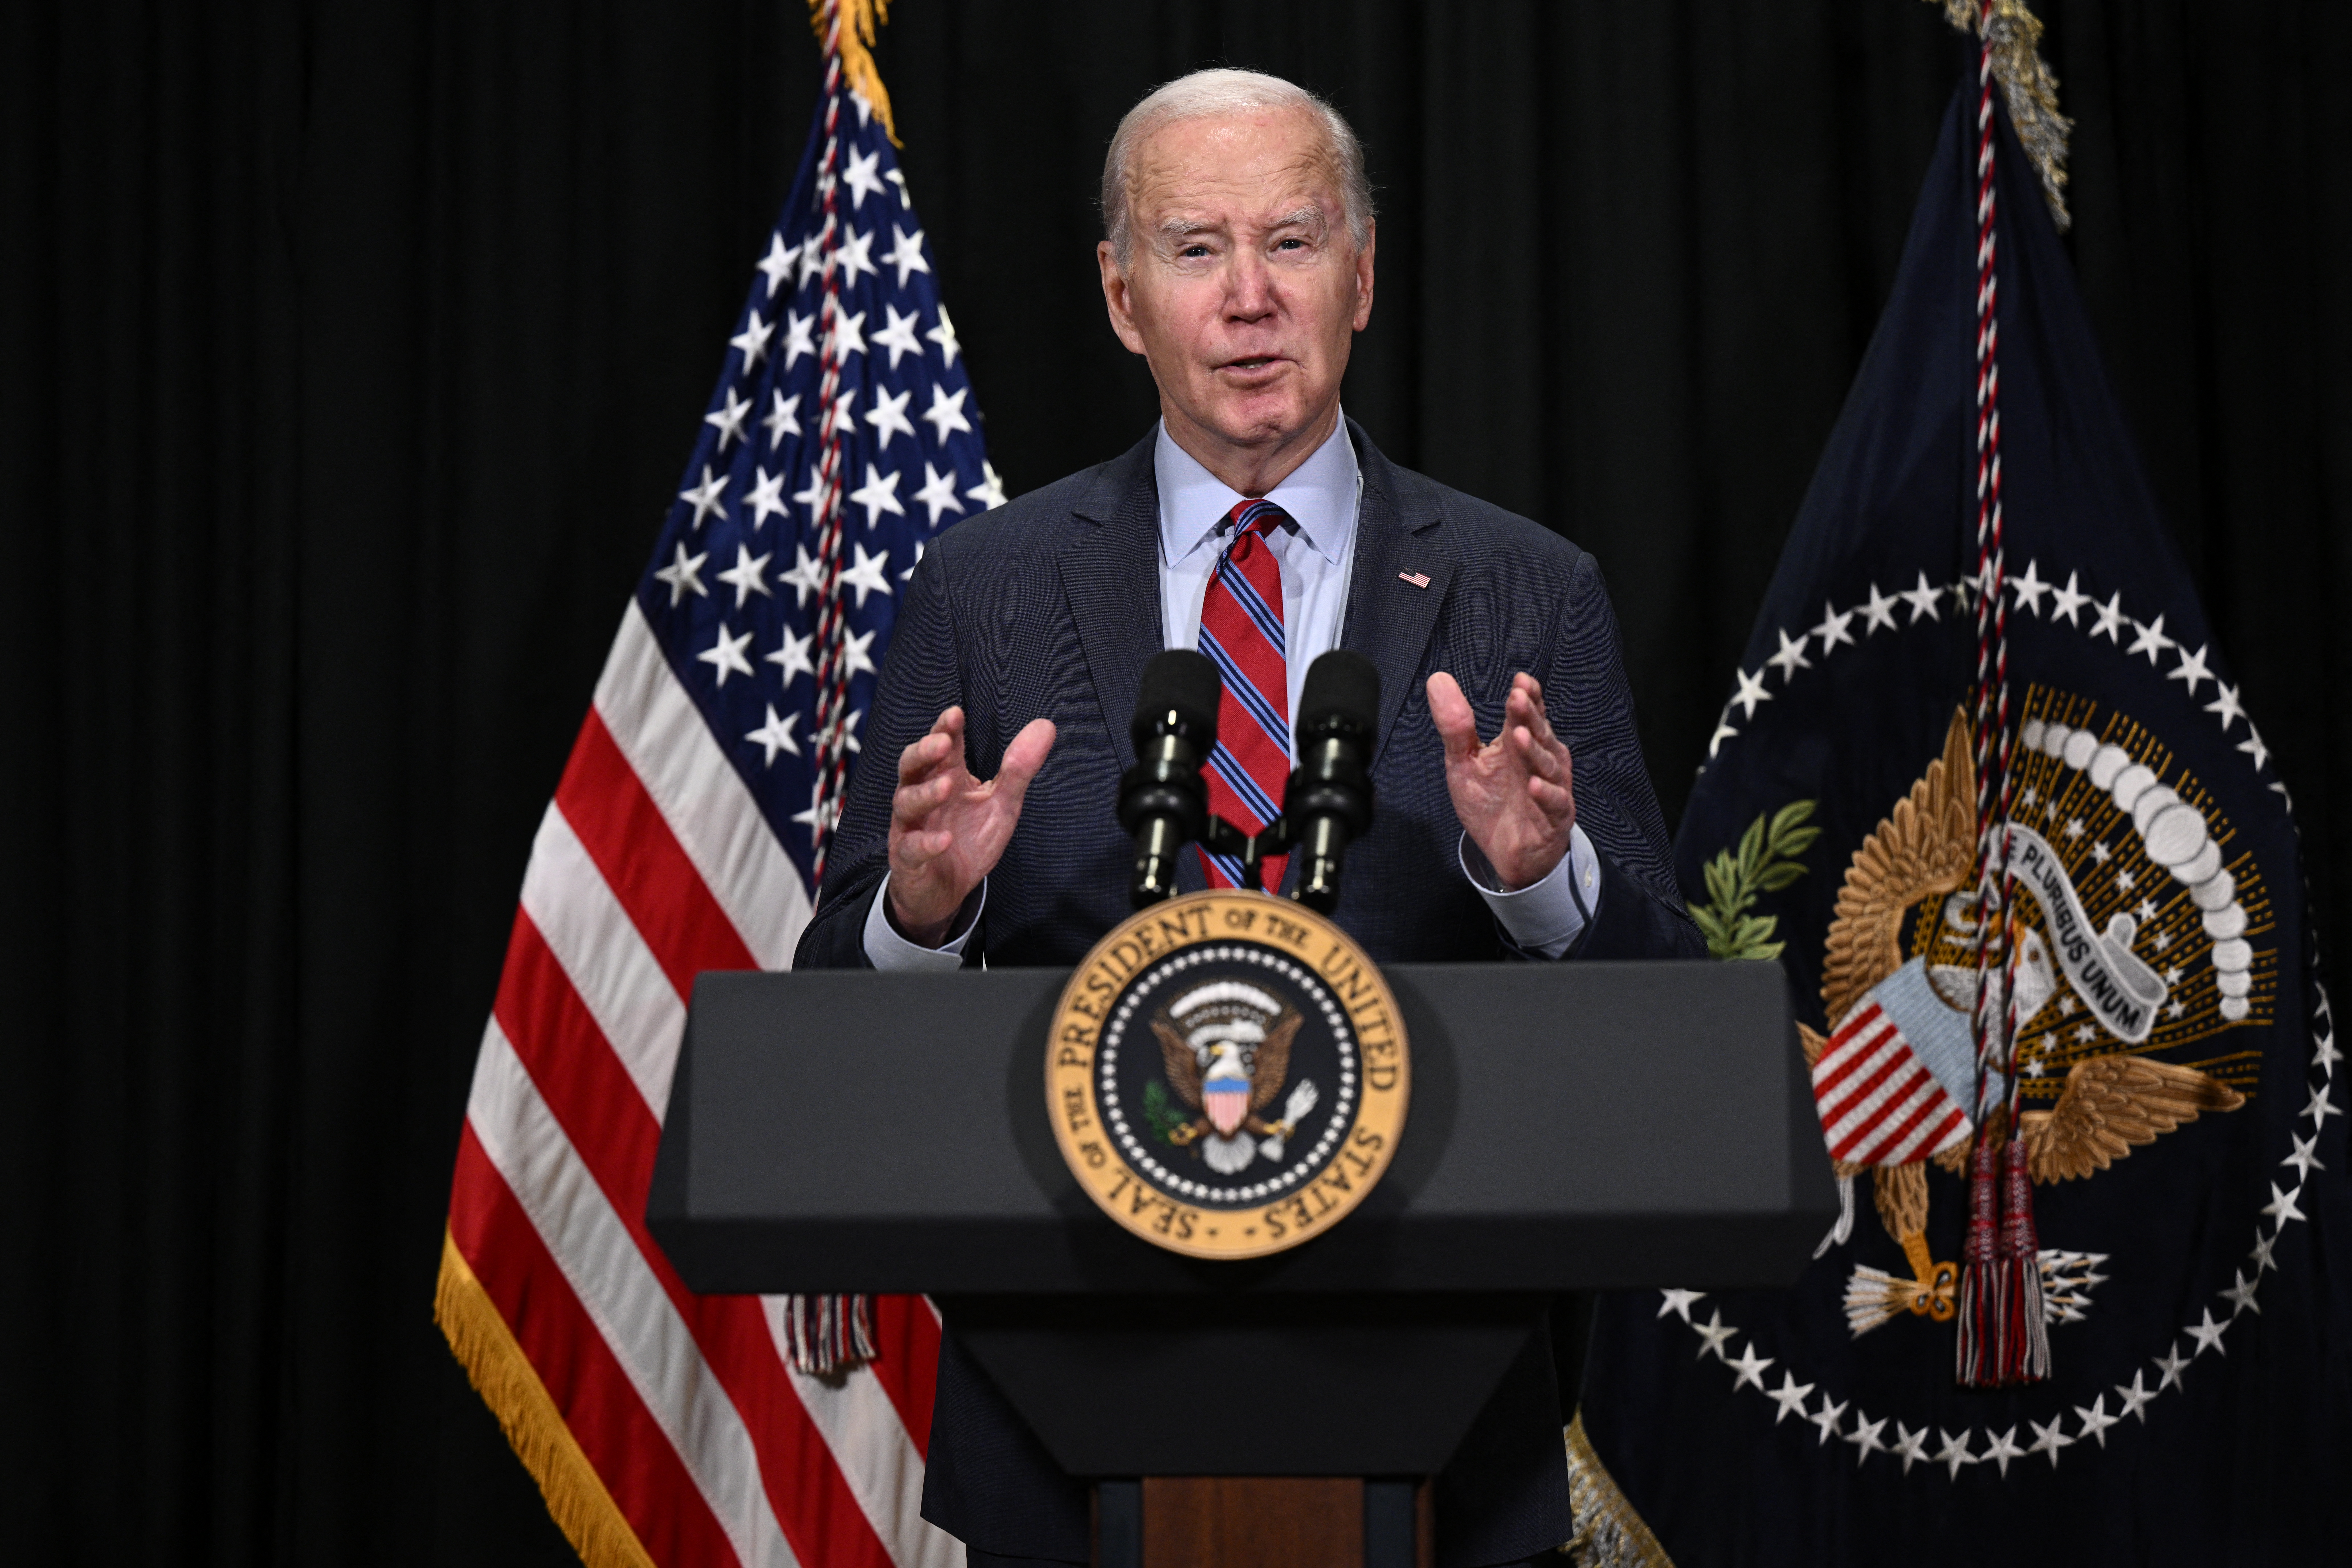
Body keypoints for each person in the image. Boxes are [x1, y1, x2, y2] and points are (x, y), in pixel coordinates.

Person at [796, 67, 1704, 1568]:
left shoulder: (1527, 588)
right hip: (1068, 1417)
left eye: (1290, 243)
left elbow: (1662, 1011)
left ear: (1360, 276)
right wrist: (924, 916)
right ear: (1120, 295)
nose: (1247, 299)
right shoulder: (986, 590)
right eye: (1195, 249)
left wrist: (1543, 884)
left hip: (1437, 1414)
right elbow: (832, 1018)